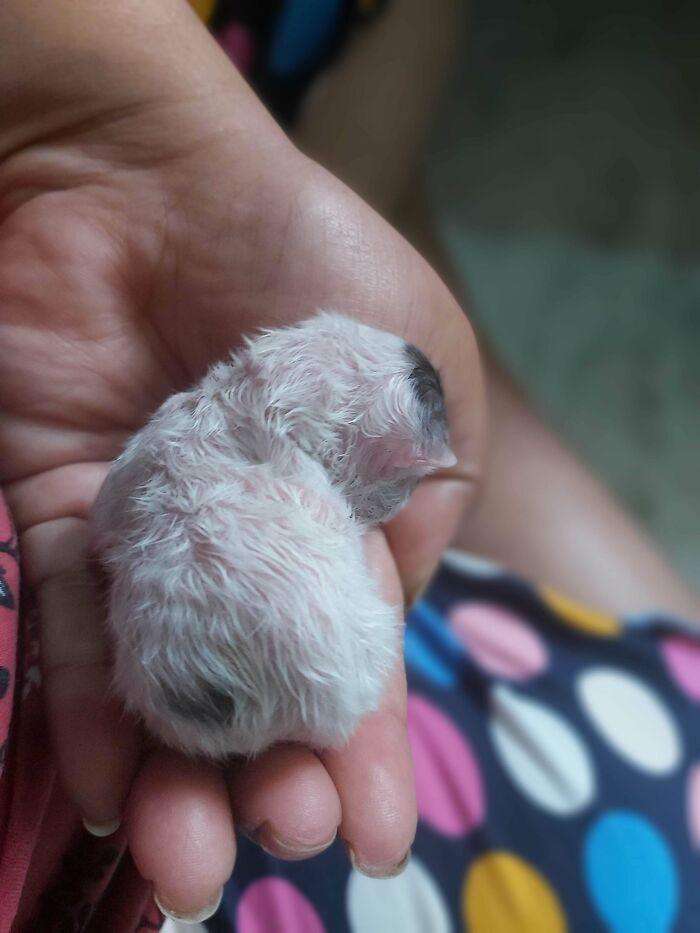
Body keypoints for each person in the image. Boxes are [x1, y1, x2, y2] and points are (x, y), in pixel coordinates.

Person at [0, 1, 697, 930]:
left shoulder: (188, 437)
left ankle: (378, 186)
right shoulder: (247, 469)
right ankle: (382, 191)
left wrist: (82, 115)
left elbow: (118, 515)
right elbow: (132, 520)